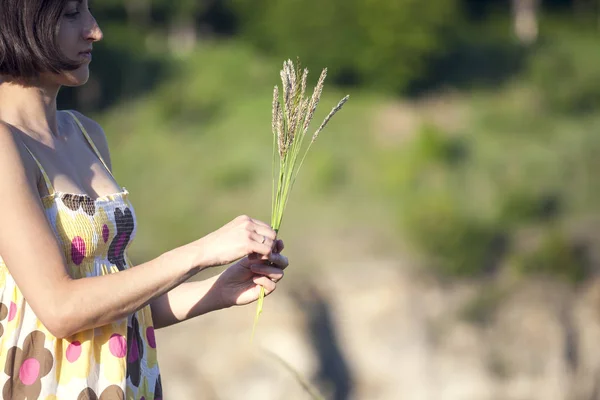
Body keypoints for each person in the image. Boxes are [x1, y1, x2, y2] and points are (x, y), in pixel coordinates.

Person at [0, 0, 289, 398]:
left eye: (89, 10)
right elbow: (60, 308)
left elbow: (114, 298)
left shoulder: (86, 134)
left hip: (125, 384)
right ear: (21, 22)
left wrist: (216, 290)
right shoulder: (5, 143)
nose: (94, 30)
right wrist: (199, 252)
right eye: (71, 14)